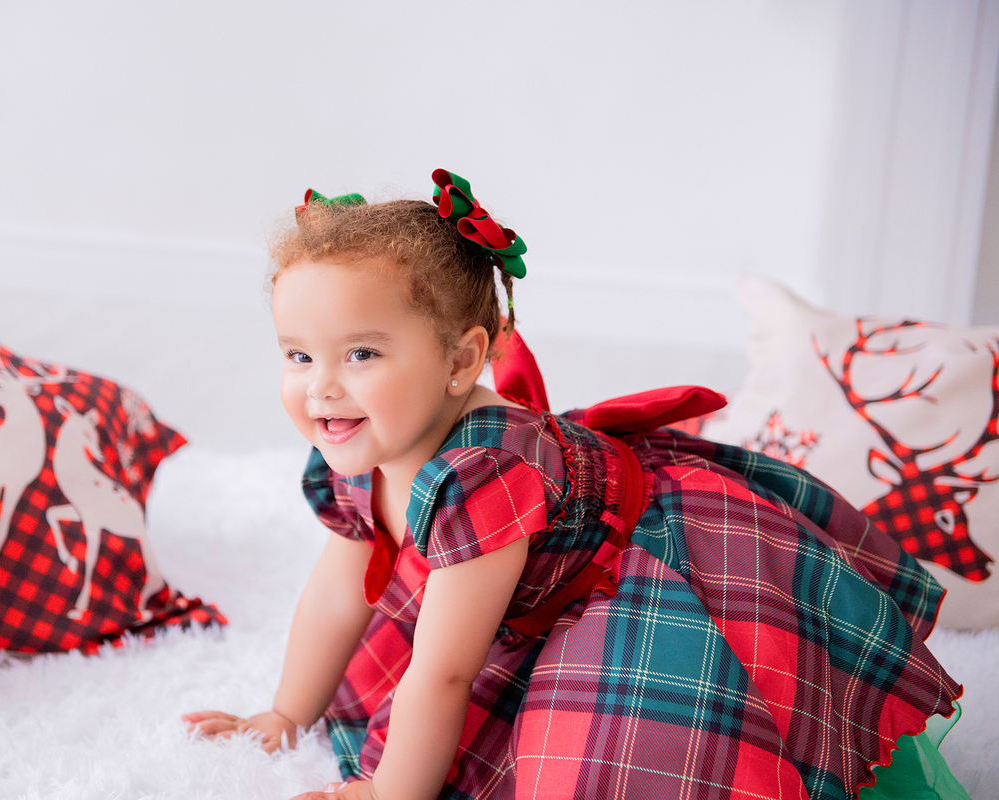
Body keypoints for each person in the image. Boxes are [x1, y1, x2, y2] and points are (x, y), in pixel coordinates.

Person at [183, 170, 964, 800]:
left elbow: (447, 669)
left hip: (633, 567)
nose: (321, 389)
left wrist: (392, 792)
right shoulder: (358, 440)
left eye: (360, 354)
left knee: (616, 756)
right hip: (529, 568)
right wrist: (287, 714)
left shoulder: (480, 474)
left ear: (461, 362)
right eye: (297, 356)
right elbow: (339, 587)